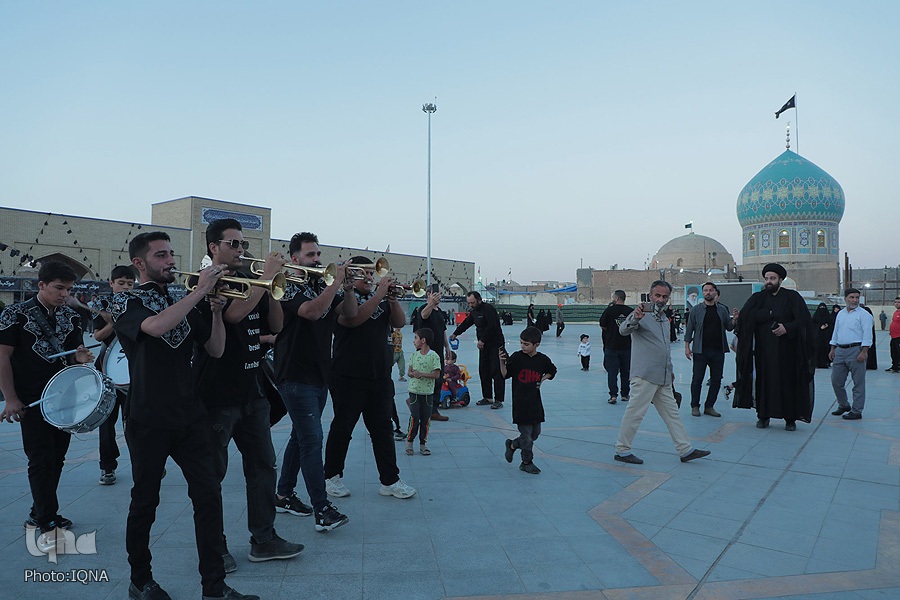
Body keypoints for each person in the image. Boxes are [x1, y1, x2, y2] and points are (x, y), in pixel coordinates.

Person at [110, 231, 258, 600]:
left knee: (208, 497)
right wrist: (198, 292)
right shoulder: (126, 301)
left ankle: (214, 586)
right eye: (161, 255)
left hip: (190, 415)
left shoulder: (181, 299)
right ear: (140, 263)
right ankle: (140, 580)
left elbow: (216, 349)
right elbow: (155, 327)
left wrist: (216, 312)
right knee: (145, 502)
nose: (171, 261)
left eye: (172, 254)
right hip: (148, 417)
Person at [194, 219, 303, 571]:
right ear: (214, 247)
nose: (241, 249)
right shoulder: (207, 282)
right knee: (213, 475)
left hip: (252, 390)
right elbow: (234, 316)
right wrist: (265, 278)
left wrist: (273, 287)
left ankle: (264, 538)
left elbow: (276, 325)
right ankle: (215, 547)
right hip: (217, 394)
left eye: (243, 244)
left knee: (263, 467)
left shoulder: (249, 280)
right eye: (234, 244)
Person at [0, 261, 94, 552]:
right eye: (59, 288)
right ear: (41, 285)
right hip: (32, 399)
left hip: (64, 399)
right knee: (40, 459)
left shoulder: (72, 316)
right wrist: (11, 398)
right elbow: (2, 358)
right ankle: (46, 520)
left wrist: (80, 358)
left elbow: (73, 355)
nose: (64, 294)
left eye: (69, 289)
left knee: (57, 458)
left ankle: (39, 509)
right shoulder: (14, 314)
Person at [273, 231, 352, 531]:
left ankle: (283, 494)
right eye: (310, 255)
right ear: (295, 259)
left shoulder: (322, 284)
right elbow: (312, 311)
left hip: (319, 374)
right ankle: (322, 509)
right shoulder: (286, 285)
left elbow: (349, 313)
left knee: (300, 436)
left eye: (318, 254)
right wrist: (334, 285)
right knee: (311, 440)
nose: (317, 259)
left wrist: (348, 288)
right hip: (295, 374)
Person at [323, 256, 417, 499]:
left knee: (382, 430)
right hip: (348, 376)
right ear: (351, 275)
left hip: (379, 376)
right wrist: (380, 294)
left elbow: (399, 322)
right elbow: (354, 319)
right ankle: (331, 476)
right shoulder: (342, 299)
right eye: (362, 273)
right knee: (343, 427)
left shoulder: (382, 299)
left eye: (370, 273)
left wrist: (392, 300)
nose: (368, 277)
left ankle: (390, 480)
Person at [613, 281, 711, 465]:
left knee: (672, 414)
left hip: (663, 376)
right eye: (657, 295)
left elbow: (665, 347)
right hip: (645, 375)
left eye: (665, 296)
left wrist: (670, 370)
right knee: (635, 413)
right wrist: (635, 318)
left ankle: (685, 449)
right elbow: (623, 330)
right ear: (650, 296)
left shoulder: (665, 319)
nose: (661, 299)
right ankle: (622, 450)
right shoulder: (640, 314)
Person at [734, 263, 814, 431]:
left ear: (780, 280)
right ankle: (763, 416)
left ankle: (790, 418)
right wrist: (767, 314)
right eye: (767, 278)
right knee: (765, 383)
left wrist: (787, 328)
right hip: (764, 353)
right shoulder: (758, 298)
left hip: (788, 352)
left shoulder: (792, 297)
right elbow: (746, 316)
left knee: (788, 383)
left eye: (772, 278)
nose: (769, 281)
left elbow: (804, 320)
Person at [92, 264, 136, 485]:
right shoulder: (102, 305)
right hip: (106, 373)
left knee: (135, 422)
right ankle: (107, 466)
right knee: (107, 423)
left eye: (130, 283)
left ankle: (144, 461)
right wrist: (113, 323)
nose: (126, 287)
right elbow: (98, 336)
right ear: (111, 283)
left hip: (133, 372)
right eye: (121, 283)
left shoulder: (138, 303)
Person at [500, 326, 557, 474]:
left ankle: (512, 445)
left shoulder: (542, 360)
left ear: (536, 344)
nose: (522, 346)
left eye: (526, 344)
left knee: (534, 434)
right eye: (521, 343)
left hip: (535, 404)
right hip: (520, 404)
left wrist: (542, 379)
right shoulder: (517, 357)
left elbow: (552, 371)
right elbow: (505, 374)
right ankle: (526, 462)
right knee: (527, 436)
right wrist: (502, 362)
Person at [684, 282, 737, 418]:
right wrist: (687, 347)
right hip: (700, 351)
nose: (708, 292)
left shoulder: (722, 310)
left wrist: (735, 320)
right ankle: (695, 406)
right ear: (703, 293)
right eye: (706, 290)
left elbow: (729, 327)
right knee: (697, 379)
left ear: (715, 292)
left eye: (711, 290)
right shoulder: (696, 310)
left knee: (716, 380)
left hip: (718, 351)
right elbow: (689, 329)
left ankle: (709, 406)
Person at [450, 291, 506, 409]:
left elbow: (492, 326)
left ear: (479, 300)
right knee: (484, 371)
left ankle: (499, 399)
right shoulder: (474, 312)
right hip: (483, 346)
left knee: (496, 371)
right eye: (469, 303)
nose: (471, 305)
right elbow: (466, 323)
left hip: (495, 344)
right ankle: (488, 397)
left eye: (473, 302)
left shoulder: (488, 309)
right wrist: (455, 333)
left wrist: (482, 340)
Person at [828, 288, 874, 420]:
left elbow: (867, 334)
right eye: (852, 297)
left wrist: (864, 352)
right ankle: (843, 404)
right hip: (840, 350)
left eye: (857, 298)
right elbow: (836, 331)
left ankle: (857, 410)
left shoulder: (864, 315)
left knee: (858, 383)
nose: (854, 300)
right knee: (836, 381)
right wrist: (832, 348)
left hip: (856, 350)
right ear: (845, 299)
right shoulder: (841, 314)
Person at [412, 289, 451, 421]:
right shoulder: (424, 308)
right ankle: (423, 408)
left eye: (439, 294)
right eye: (435, 294)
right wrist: (431, 303)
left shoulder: (439, 312)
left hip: (438, 351)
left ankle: (433, 409)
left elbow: (443, 330)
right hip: (426, 352)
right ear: (428, 294)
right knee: (425, 379)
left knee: (438, 379)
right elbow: (424, 316)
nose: (438, 296)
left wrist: (447, 346)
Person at [405, 327, 441, 456]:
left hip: (427, 393)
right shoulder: (414, 355)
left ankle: (422, 444)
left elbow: (436, 375)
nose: (414, 341)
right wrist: (413, 374)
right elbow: (409, 372)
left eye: (416, 338)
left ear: (423, 340)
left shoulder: (434, 356)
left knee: (425, 419)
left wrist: (422, 374)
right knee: (415, 417)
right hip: (414, 391)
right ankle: (409, 442)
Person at [598, 290, 633, 404]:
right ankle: (625, 394)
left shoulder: (609, 310)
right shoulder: (630, 311)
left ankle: (613, 395)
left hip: (611, 346)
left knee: (612, 372)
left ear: (617, 298)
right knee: (626, 372)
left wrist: (611, 330)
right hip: (627, 346)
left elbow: (602, 325)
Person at [812, 302, 833, 368]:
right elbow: (812, 325)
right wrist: (819, 327)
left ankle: (825, 362)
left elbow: (831, 325)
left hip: (826, 338)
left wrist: (827, 326)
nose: (822, 309)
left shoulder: (828, 318)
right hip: (817, 338)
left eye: (823, 307)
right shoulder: (815, 318)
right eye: (821, 307)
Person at [888, 297, 900, 373]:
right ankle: (894, 366)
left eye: (899, 302)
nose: (897, 304)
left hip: (899, 337)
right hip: (894, 336)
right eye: (895, 302)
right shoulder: (896, 312)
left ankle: (898, 366)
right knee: (893, 352)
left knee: (898, 352)